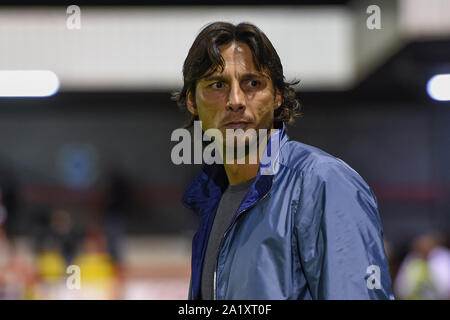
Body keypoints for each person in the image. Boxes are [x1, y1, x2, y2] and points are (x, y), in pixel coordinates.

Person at [173, 21, 394, 300]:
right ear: (192, 101)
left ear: (277, 96)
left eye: (252, 83)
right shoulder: (211, 199)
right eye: (217, 84)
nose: (236, 100)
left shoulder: (323, 182)